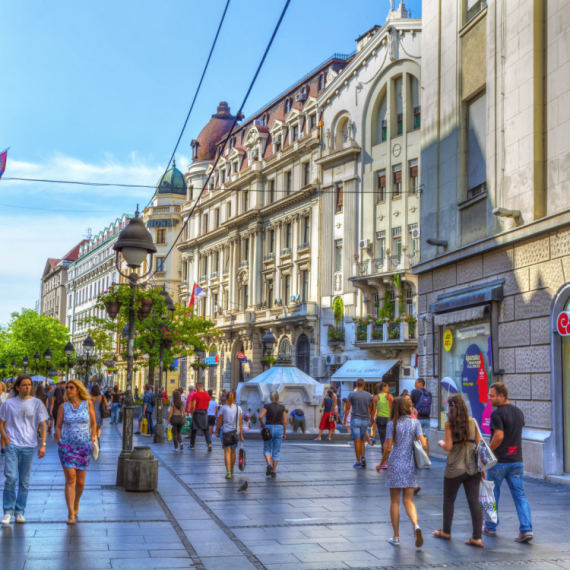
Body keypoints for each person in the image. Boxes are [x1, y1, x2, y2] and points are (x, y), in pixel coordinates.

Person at [483, 382, 533, 543]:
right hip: (516, 460)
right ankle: (526, 530)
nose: (489, 398)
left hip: (499, 461)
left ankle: (490, 527)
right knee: (519, 496)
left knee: (493, 495)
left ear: (501, 396)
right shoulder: (518, 412)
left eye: (491, 395)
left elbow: (498, 437)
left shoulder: (497, 414)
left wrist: (488, 451)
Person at [433, 394, 482, 546]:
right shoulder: (473, 422)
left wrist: (440, 442)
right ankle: (477, 537)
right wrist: (482, 467)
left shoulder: (449, 424)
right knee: (474, 502)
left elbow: (448, 447)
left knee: (449, 500)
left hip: (455, 468)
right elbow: (479, 444)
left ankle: (446, 531)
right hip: (473, 468)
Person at [376, 396, 426, 547]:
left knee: (395, 501)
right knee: (408, 501)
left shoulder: (392, 424)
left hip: (395, 464)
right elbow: (423, 443)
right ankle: (415, 525)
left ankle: (396, 536)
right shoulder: (415, 422)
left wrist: (381, 463)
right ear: (407, 407)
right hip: (409, 464)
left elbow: (388, 448)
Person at [0, 375, 49, 525]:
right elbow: (1, 423)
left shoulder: (37, 403)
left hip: (29, 446)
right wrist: (7, 440)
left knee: (24, 482)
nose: (28, 387)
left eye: (29, 385)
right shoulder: (9, 404)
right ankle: (8, 511)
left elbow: (42, 425)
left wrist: (43, 444)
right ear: (17, 387)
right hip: (12, 445)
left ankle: (20, 511)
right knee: (11, 478)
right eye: (24, 385)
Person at [55, 379, 97, 525]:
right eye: (67, 388)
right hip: (67, 447)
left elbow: (93, 423)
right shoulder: (63, 406)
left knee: (80, 482)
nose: (68, 390)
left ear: (78, 389)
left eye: (71, 387)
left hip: (84, 447)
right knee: (71, 479)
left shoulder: (88, 404)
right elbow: (58, 426)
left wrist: (92, 439)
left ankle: (76, 502)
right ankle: (71, 513)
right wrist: (60, 441)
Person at [344, 379, 374, 468]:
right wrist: (371, 420)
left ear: (356, 384)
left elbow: (348, 408)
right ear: (364, 385)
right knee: (362, 439)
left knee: (357, 440)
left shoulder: (351, 394)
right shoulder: (368, 395)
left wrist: (345, 419)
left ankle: (358, 461)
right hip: (365, 419)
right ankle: (363, 457)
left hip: (355, 419)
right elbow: (372, 409)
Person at [258, 391, 286, 478]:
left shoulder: (267, 406)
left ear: (271, 397)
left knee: (267, 448)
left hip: (268, 428)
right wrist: (284, 433)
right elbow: (284, 421)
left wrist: (262, 424)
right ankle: (273, 471)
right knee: (276, 450)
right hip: (279, 428)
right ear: (278, 398)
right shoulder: (282, 407)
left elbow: (260, 416)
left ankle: (269, 465)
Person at [216, 391, 244, 479]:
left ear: (226, 398)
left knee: (227, 452)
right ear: (235, 398)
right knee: (233, 451)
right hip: (235, 433)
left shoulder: (224, 408)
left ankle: (228, 472)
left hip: (225, 433)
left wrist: (216, 430)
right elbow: (240, 422)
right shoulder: (238, 408)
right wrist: (242, 435)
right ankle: (232, 468)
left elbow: (220, 421)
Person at [373, 383, 393, 466]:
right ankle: (390, 460)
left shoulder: (376, 397)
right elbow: (394, 408)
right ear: (384, 388)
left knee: (383, 440)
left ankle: (385, 461)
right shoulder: (389, 396)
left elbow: (374, 410)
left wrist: (372, 420)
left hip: (380, 419)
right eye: (387, 387)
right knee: (390, 440)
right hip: (389, 419)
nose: (388, 388)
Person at [411, 378, 432, 457]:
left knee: (417, 439)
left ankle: (419, 458)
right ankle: (426, 458)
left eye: (416, 383)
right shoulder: (429, 393)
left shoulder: (414, 392)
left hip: (417, 419)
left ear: (420, 383)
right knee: (426, 439)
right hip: (427, 418)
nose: (415, 385)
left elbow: (411, 406)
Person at [190, 382, 212, 451]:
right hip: (204, 412)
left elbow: (193, 405)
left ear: (197, 387)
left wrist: (192, 413)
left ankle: (192, 445)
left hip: (197, 413)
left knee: (194, 429)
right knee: (206, 429)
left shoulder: (195, 395)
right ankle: (209, 443)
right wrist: (205, 409)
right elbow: (208, 404)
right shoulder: (207, 394)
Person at [0, 382, 9, 454]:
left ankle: (2, 447)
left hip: (4, 415)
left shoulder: (6, 395)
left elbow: (8, 406)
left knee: (3, 431)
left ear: (2, 387)